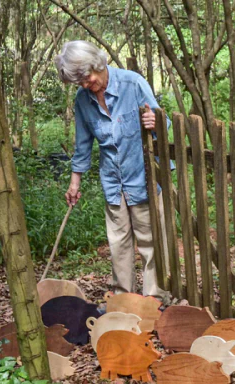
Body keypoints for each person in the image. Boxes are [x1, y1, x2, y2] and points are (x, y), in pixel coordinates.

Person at [54, 41, 170, 301]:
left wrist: (155, 122)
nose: (86, 85)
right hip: (113, 181)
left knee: (151, 242)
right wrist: (74, 183)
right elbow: (83, 144)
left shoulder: (133, 83)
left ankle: (154, 301)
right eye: (79, 82)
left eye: (87, 78)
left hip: (143, 177)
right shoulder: (82, 99)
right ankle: (123, 300)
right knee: (118, 245)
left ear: (97, 64)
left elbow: (164, 123)